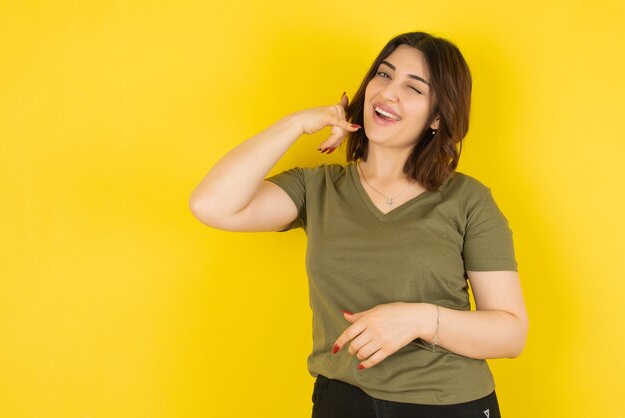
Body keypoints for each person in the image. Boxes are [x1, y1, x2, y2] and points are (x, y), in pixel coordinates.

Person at [189, 31, 528, 418]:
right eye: (384, 76)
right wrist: (296, 124)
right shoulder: (316, 189)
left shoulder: (468, 200)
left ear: (437, 117)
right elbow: (211, 205)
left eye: (413, 88)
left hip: (449, 405)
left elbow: (511, 333)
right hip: (343, 402)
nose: (388, 93)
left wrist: (419, 319)